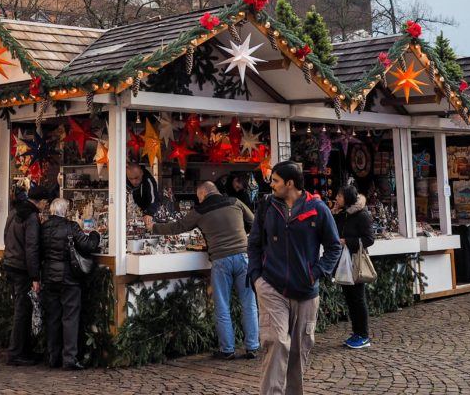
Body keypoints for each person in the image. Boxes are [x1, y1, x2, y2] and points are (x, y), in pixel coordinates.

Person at [247, 161, 342, 395]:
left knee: (299, 351)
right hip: (271, 286)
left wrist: (316, 273)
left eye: (276, 180)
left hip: (306, 290)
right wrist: (256, 278)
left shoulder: (318, 209)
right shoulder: (267, 207)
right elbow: (255, 244)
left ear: (290, 183)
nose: (271, 185)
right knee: (277, 343)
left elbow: (333, 247)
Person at [145, 180, 259, 360]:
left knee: (222, 305)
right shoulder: (235, 202)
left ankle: (227, 349)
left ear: (203, 194)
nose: (198, 199)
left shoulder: (200, 210)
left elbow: (178, 227)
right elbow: (254, 221)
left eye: (198, 196)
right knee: (249, 303)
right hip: (243, 257)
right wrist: (248, 239)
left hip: (221, 260)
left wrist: (154, 228)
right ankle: (252, 346)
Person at [39, 197, 101, 370]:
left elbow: (38, 252)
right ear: (65, 211)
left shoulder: (43, 228)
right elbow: (88, 245)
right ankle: (69, 358)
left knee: (53, 318)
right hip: (68, 279)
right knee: (70, 318)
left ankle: (53, 357)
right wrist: (95, 234)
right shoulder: (71, 226)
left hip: (49, 278)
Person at [3, 184, 50, 365]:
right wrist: (35, 276)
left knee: (21, 309)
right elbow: (32, 248)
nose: (45, 206)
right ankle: (16, 354)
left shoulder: (13, 213)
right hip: (22, 269)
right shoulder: (31, 217)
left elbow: (5, 235)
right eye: (45, 202)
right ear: (41, 201)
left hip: (11, 264)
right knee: (23, 311)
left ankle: (24, 350)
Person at [332, 183, 375, 349]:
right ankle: (356, 332)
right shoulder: (343, 214)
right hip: (344, 261)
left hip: (355, 260)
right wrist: (334, 212)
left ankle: (363, 335)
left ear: (348, 198)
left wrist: (347, 242)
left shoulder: (361, 215)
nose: (337, 198)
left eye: (340, 196)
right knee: (350, 298)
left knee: (358, 298)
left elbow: (369, 239)